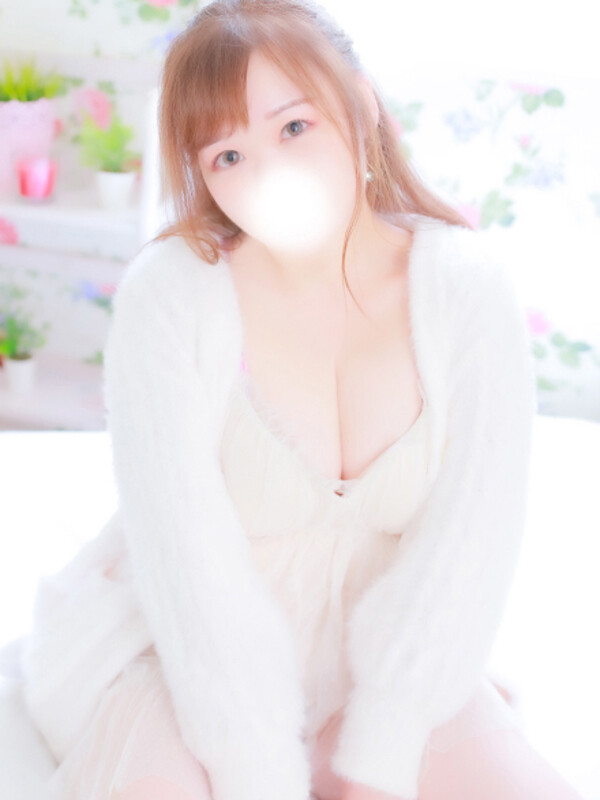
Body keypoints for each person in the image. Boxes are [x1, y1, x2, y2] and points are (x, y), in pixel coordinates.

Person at [18, 1, 584, 799]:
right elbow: (185, 561)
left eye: (293, 127)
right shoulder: (173, 296)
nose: (267, 175)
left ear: (361, 105)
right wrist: (256, 773)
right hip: (177, 654)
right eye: (228, 155)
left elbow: (469, 544)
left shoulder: (466, 289)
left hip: (390, 659)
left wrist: (387, 741)